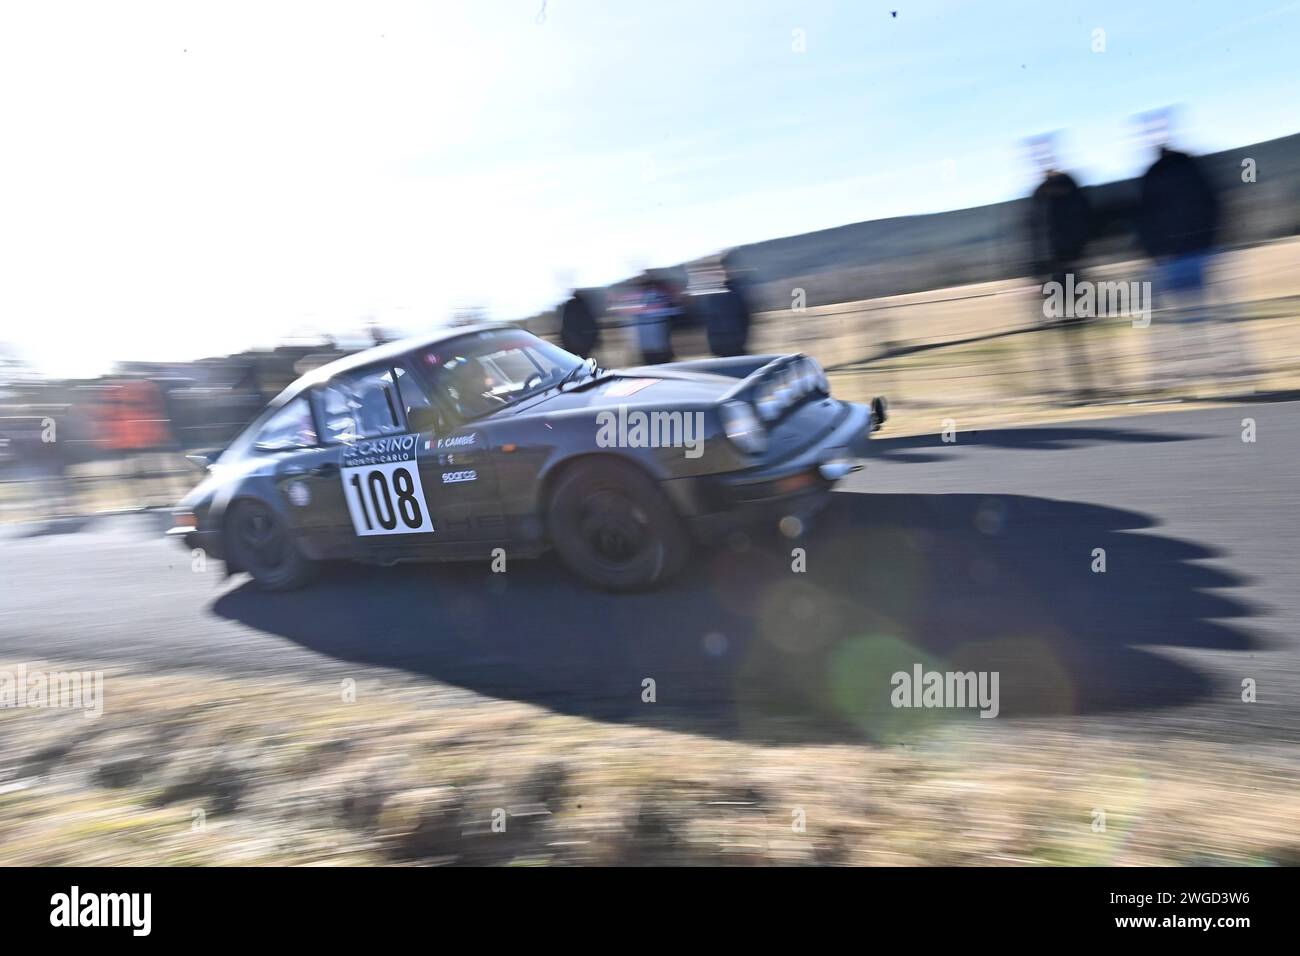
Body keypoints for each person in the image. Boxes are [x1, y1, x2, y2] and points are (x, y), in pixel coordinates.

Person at [1134, 113, 1247, 389]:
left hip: (1196, 252)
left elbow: (1212, 202)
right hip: (1181, 255)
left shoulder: (1176, 168)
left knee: (1207, 317)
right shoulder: (1160, 172)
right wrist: (1157, 252)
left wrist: (1207, 241)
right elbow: (1147, 217)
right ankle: (1213, 373)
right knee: (1197, 318)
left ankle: (1229, 372)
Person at [1027, 140, 1095, 401]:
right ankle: (1074, 387)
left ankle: (1087, 384)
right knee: (1065, 331)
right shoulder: (1039, 194)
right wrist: (1038, 271)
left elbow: (1083, 220)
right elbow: (1034, 234)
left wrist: (1077, 255)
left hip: (1073, 267)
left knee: (1080, 327)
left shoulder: (1069, 187)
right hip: (1053, 273)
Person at [706, 255, 753, 357]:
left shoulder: (737, 290)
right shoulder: (714, 293)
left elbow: (745, 316)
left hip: (735, 344)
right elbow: (711, 321)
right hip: (721, 346)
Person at [559, 288, 600, 358]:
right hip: (583, 343)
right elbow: (592, 325)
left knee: (572, 363)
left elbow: (566, 326)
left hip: (572, 343)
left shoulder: (570, 306)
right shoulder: (585, 307)